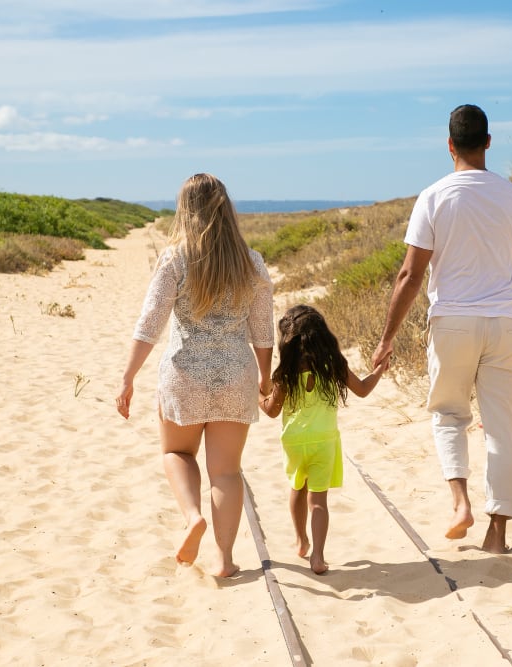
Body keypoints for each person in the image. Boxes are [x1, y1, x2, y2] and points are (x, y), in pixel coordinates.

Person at [370, 104, 512, 554]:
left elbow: (409, 275)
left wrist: (387, 338)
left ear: (449, 145)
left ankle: (460, 503)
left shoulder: (433, 197)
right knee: (506, 428)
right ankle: (497, 535)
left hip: (451, 322)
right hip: (507, 324)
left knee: (449, 413)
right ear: (489, 142)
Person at [116, 173, 274, 577]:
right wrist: (265, 379)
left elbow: (149, 324)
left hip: (185, 375)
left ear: (185, 211)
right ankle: (224, 558)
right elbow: (262, 330)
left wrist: (128, 377)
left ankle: (192, 517)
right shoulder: (251, 262)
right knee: (226, 471)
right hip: (235, 375)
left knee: (177, 453)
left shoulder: (175, 259)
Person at [259, 304, 388, 574]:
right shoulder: (333, 366)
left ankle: (301, 541)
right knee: (318, 500)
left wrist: (258, 396)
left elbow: (272, 411)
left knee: (297, 487)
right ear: (322, 337)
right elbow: (363, 390)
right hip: (324, 441)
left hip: (294, 441)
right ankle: (317, 556)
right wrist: (379, 371)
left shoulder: (286, 373)